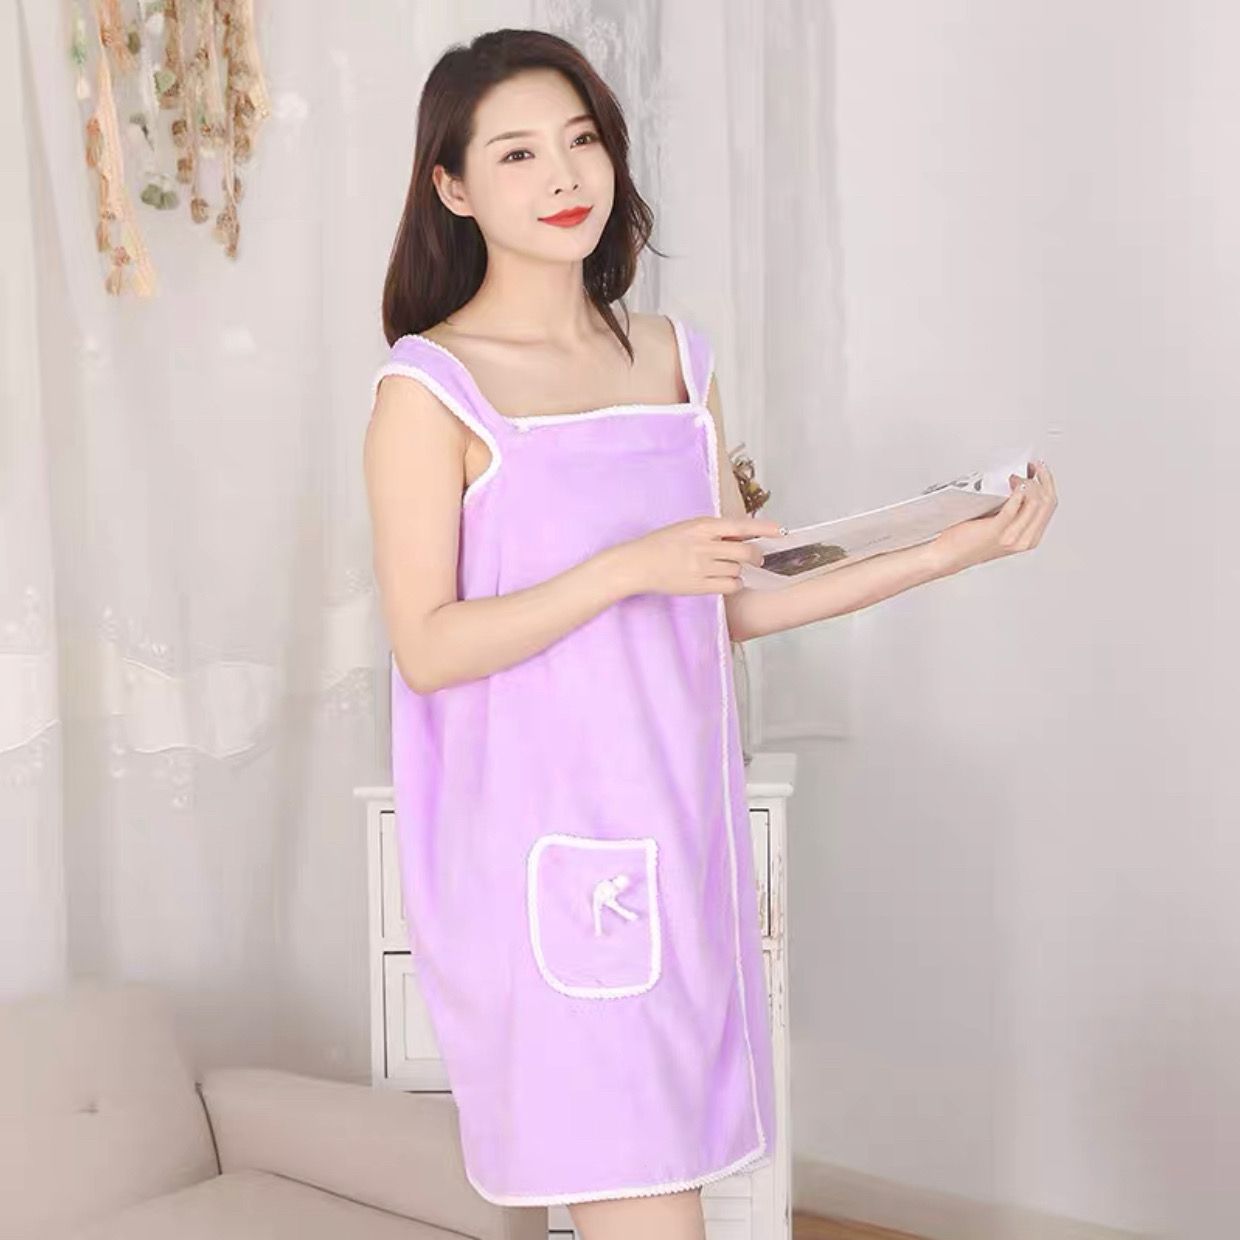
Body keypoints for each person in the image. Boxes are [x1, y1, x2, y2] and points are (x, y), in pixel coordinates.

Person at [362, 28, 1058, 1240]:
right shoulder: (429, 389)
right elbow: (428, 645)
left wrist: (942, 550)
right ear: (452, 187)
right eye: (517, 154)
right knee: (648, 1199)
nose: (563, 175)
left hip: (676, 830)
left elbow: (732, 601)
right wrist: (627, 568)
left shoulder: (673, 359)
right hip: (542, 853)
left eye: (581, 140)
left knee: (672, 1173)